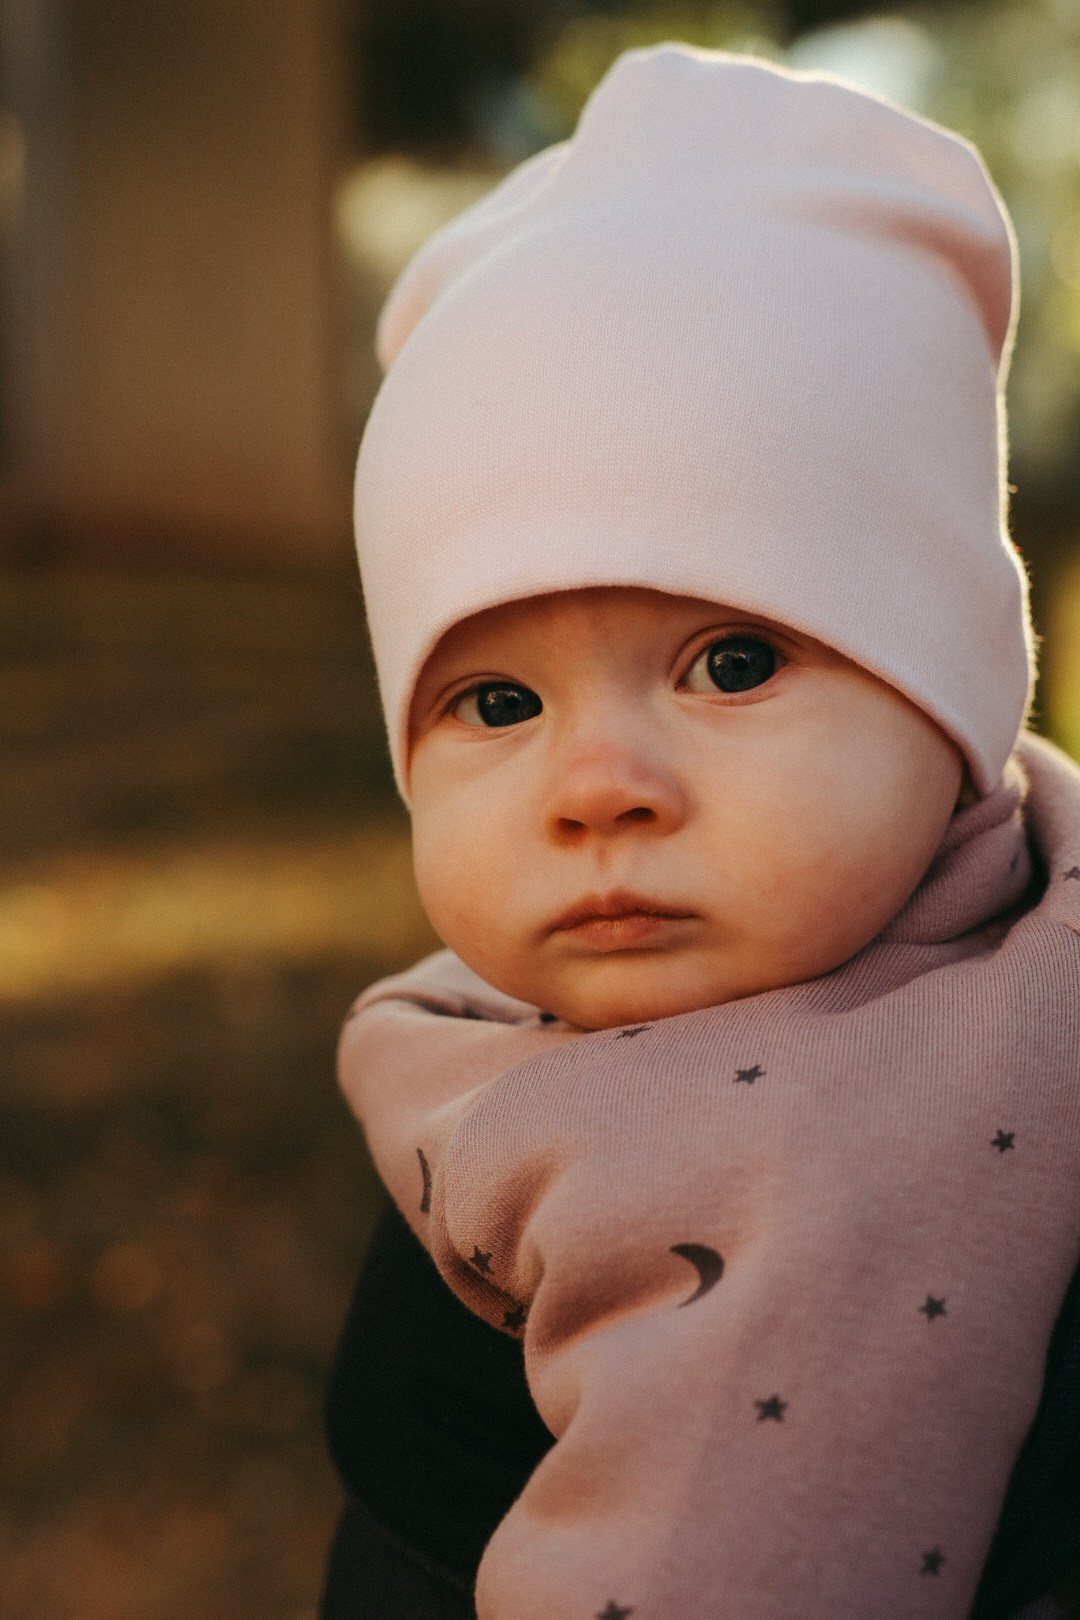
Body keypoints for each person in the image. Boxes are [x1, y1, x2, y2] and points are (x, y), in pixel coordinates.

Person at [320, 44, 1080, 1620]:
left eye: (734, 664)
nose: (599, 786)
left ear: (950, 705)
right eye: (496, 703)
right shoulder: (457, 1077)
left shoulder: (1030, 1070)